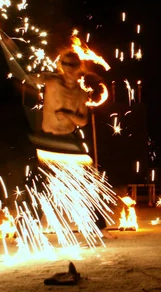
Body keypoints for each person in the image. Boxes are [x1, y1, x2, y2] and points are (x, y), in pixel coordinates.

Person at [33, 50, 116, 239]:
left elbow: (83, 120)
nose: (70, 69)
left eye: (74, 65)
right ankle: (25, 231)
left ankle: (98, 226)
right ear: (60, 66)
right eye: (66, 65)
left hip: (69, 142)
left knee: (86, 184)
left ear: (80, 67)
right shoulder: (52, 83)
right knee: (39, 186)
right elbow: (32, 77)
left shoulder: (80, 93)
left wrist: (69, 115)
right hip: (48, 140)